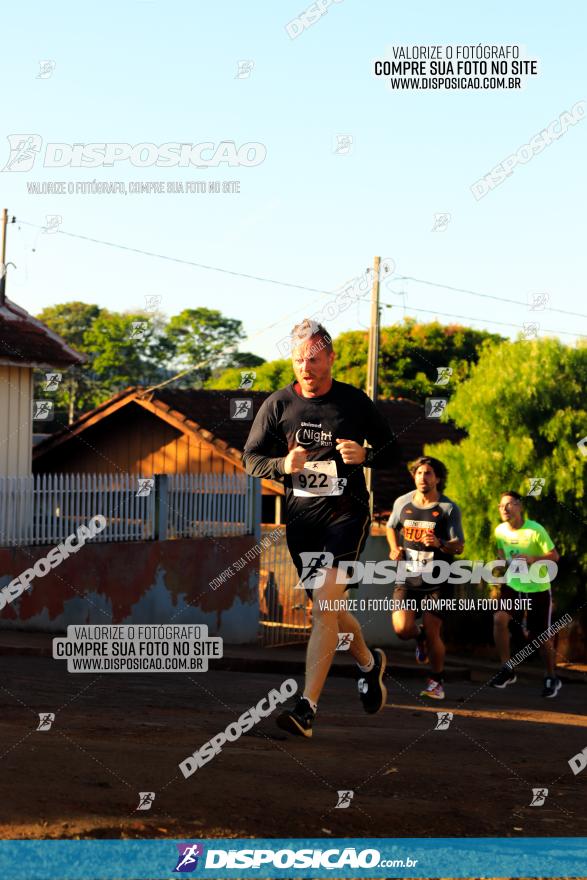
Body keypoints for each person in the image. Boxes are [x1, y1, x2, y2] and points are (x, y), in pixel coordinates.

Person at [242, 318, 397, 737]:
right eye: (297, 361)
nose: (304, 368)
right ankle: (368, 661)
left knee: (324, 608)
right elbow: (250, 459)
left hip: (346, 517)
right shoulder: (278, 405)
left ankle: (306, 707)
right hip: (302, 521)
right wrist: (280, 465)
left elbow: (393, 451)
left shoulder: (355, 403)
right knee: (327, 609)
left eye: (312, 359)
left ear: (330, 357)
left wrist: (366, 454)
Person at [386, 457, 464, 701]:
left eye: (429, 473)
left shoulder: (448, 508)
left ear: (438, 478)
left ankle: (436, 681)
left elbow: (459, 546)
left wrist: (440, 543)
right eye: (419, 473)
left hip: (438, 579)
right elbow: (390, 526)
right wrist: (393, 548)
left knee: (434, 632)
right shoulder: (402, 502)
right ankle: (417, 635)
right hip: (407, 577)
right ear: (414, 476)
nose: (423, 477)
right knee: (401, 629)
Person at [490, 491, 561, 698]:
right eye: (500, 506)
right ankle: (507, 669)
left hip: (537, 588)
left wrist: (532, 558)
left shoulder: (535, 530)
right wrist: (504, 563)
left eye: (509, 505)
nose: (504, 509)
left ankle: (550, 676)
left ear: (519, 506)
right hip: (513, 586)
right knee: (499, 619)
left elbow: (554, 556)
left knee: (541, 637)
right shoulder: (500, 530)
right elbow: (501, 551)